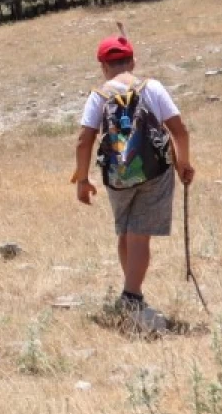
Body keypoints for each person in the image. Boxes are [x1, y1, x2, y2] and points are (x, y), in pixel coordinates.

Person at [73, 30, 195, 332]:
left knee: (126, 233)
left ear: (103, 66)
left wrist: (82, 179)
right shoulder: (151, 88)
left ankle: (131, 291)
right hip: (155, 172)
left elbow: (84, 139)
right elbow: (179, 130)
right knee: (140, 235)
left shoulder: (99, 95)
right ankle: (132, 295)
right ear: (133, 61)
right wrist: (183, 164)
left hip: (117, 176)